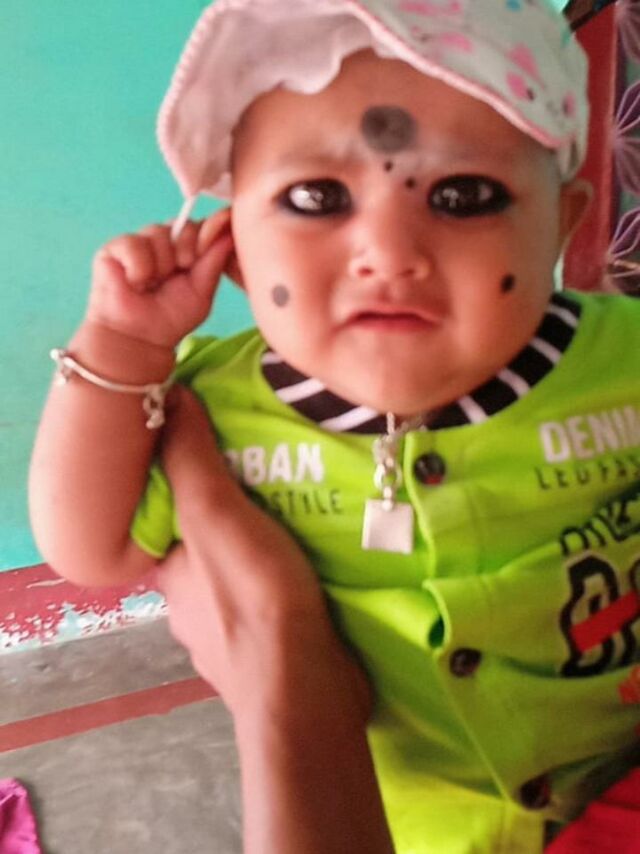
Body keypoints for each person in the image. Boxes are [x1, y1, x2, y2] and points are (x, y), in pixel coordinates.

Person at [29, 0, 640, 850]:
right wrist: (123, 348)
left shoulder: (624, 360)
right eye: (317, 197)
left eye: (464, 195)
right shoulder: (213, 412)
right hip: (383, 820)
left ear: (561, 224)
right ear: (234, 249)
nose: (388, 253)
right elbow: (91, 550)